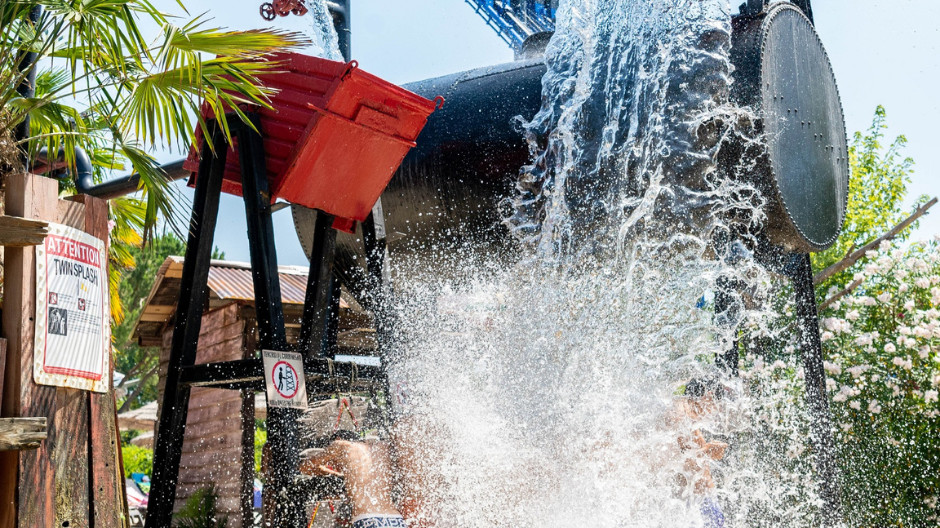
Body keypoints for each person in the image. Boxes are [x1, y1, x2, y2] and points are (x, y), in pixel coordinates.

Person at [299, 436, 406, 527]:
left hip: (368, 519)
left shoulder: (342, 445)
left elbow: (305, 467)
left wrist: (330, 472)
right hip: (397, 520)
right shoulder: (382, 448)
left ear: (339, 438)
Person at [669, 377, 729, 528]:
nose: (716, 410)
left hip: (698, 501)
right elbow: (682, 459)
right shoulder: (682, 415)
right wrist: (708, 451)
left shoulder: (686, 415)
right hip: (696, 504)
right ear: (708, 395)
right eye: (716, 403)